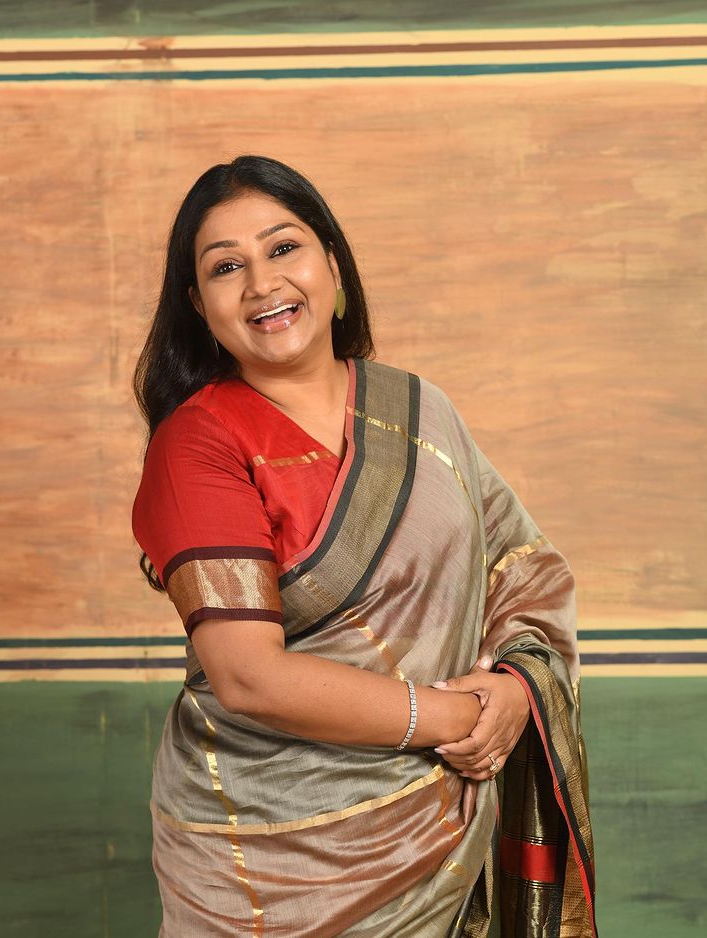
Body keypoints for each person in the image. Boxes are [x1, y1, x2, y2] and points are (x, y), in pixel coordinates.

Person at [132, 155, 596, 937]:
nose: (262, 284)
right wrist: (458, 718)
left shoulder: (420, 412)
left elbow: (522, 567)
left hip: (445, 827)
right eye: (226, 267)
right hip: (268, 862)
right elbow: (247, 677)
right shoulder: (198, 444)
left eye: (284, 248)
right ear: (199, 305)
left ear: (333, 265)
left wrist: (517, 694)